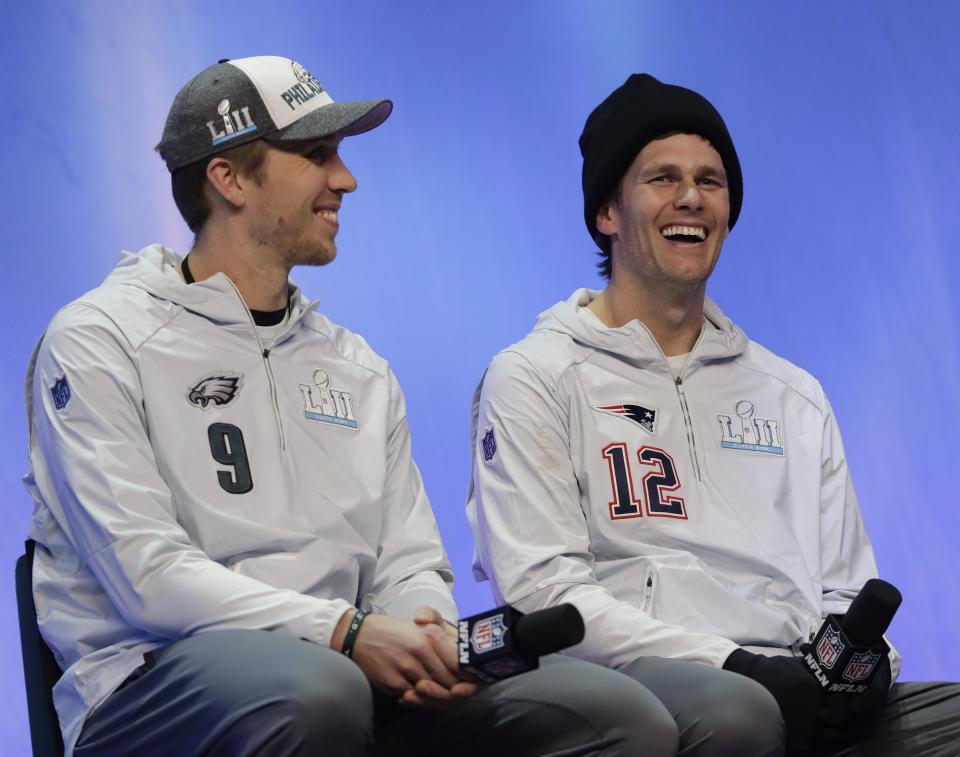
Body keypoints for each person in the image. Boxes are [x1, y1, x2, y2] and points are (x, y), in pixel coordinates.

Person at [23, 57, 682, 756]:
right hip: (151, 684)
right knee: (315, 693)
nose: (345, 178)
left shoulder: (357, 366)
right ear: (230, 178)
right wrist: (348, 633)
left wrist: (423, 637)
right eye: (316, 154)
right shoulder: (100, 339)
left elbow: (408, 563)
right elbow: (148, 579)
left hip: (341, 675)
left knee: (616, 713)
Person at [466, 73, 960, 755]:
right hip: (652, 680)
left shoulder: (793, 393)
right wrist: (738, 666)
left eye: (711, 179)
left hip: (794, 675)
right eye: (662, 178)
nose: (692, 197)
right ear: (607, 211)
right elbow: (545, 592)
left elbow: (844, 586)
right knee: (739, 714)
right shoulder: (535, 375)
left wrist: (863, 672)